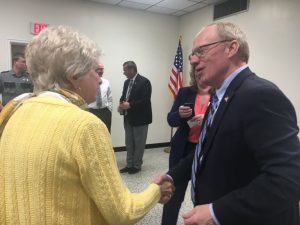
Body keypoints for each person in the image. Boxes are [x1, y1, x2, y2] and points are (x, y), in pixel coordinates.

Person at [0, 26, 174, 225]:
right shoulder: (85, 126)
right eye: (94, 70)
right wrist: (156, 190)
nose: (100, 79)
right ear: (74, 76)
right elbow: (123, 212)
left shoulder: (14, 112)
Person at [165, 22, 300, 225]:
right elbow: (206, 150)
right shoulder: (220, 95)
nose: (192, 60)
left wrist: (216, 211)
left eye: (200, 51)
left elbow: (290, 178)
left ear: (232, 48)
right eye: (192, 54)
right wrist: (173, 176)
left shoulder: (260, 95)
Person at [162, 71, 212, 225]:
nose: (200, 76)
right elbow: (171, 120)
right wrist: (180, 115)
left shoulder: (220, 94)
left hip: (206, 151)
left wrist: (208, 118)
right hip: (182, 150)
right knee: (173, 196)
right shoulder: (185, 92)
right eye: (197, 73)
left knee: (203, 197)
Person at [118, 61, 152, 174]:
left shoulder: (145, 82)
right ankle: (129, 164)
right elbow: (124, 96)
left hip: (140, 118)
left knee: (139, 143)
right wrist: (121, 104)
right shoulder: (126, 82)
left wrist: (130, 105)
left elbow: (145, 101)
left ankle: (136, 166)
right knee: (129, 143)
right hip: (128, 117)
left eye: (125, 70)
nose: (123, 73)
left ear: (132, 70)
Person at [88, 63, 113, 132]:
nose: (101, 71)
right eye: (99, 69)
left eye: (102, 69)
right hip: (92, 111)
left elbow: (110, 97)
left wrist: (109, 110)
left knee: (106, 132)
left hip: (105, 112)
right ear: (94, 70)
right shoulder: (88, 82)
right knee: (94, 133)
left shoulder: (106, 82)